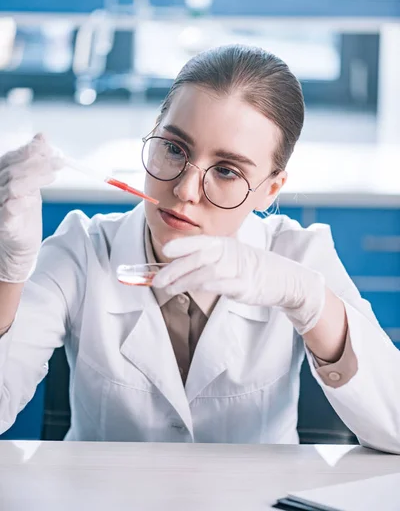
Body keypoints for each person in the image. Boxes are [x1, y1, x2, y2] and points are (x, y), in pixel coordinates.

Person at [0, 45, 399, 451]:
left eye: (226, 171)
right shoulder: (81, 251)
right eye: (174, 149)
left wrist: (309, 300)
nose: (184, 191)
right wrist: (8, 273)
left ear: (270, 189)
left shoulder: (298, 256)